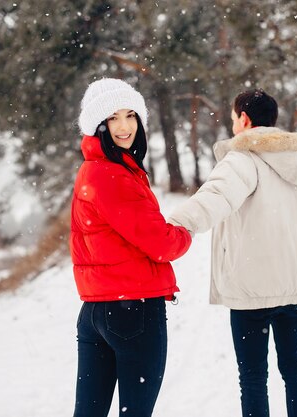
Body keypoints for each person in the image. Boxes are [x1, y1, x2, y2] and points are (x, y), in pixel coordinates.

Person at [168, 89, 297, 417]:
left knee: (253, 377)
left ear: (245, 119)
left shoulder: (244, 157)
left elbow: (214, 198)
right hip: (295, 285)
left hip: (254, 287)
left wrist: (170, 226)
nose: (232, 123)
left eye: (233, 116)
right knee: (293, 368)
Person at [70, 78, 192, 417]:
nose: (124, 126)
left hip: (96, 312)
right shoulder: (112, 175)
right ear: (99, 125)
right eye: (113, 118)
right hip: (131, 312)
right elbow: (161, 243)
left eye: (130, 115)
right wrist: (185, 231)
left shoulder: (91, 170)